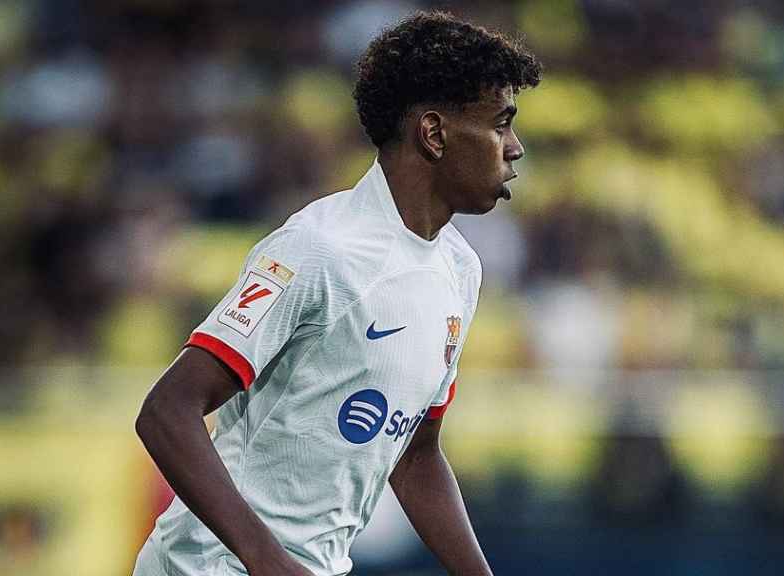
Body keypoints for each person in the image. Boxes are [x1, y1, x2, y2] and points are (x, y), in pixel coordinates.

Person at [133, 11, 541, 576]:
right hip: (209, 567)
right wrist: (268, 563)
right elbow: (166, 411)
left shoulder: (459, 270)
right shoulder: (319, 248)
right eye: (500, 125)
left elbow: (416, 456)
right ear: (434, 133)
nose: (515, 147)